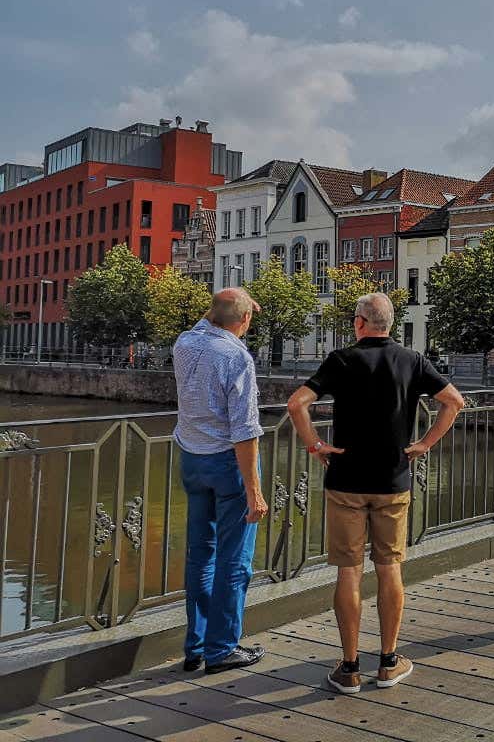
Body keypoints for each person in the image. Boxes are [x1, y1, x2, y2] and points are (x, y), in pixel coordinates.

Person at [287, 293, 465, 694]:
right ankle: (388, 662)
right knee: (389, 568)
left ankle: (348, 667)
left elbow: (297, 404)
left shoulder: (341, 360)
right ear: (390, 324)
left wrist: (315, 444)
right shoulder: (412, 360)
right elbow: (454, 402)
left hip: (346, 481)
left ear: (359, 323)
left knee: (349, 571)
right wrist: (424, 444)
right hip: (392, 481)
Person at [172, 288, 268, 675]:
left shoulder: (185, 342)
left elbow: (214, 319)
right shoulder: (236, 356)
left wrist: (239, 306)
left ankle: (195, 646)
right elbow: (245, 430)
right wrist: (254, 491)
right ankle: (222, 648)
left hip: (192, 460)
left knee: (201, 554)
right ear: (243, 322)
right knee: (235, 560)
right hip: (227, 464)